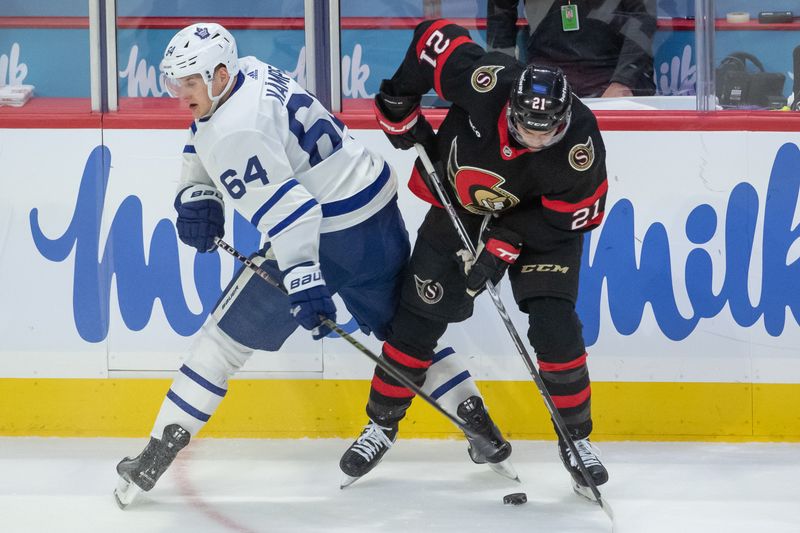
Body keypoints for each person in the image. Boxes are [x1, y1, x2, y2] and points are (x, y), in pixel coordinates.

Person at [114, 22, 511, 508]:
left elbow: (292, 211)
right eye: (175, 84)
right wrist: (198, 190)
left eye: (189, 83)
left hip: (323, 235)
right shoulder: (254, 71)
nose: (181, 95)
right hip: (373, 211)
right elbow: (206, 134)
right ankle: (475, 419)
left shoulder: (236, 131)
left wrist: (304, 281)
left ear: (219, 75)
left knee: (221, 345)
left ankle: (155, 453)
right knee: (403, 331)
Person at [340, 19, 610, 498]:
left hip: (540, 229)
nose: (534, 139)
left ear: (564, 120)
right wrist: (401, 100)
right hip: (461, 206)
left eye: (546, 133)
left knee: (554, 325)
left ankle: (578, 441)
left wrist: (506, 241)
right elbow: (431, 37)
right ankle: (381, 426)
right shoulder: (486, 79)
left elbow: (573, 218)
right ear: (511, 108)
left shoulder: (579, 145)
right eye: (526, 127)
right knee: (417, 319)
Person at [486, 0, 656, 98]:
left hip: (613, 71)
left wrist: (623, 82)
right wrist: (502, 79)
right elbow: (500, 17)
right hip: (545, 74)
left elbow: (643, 17)